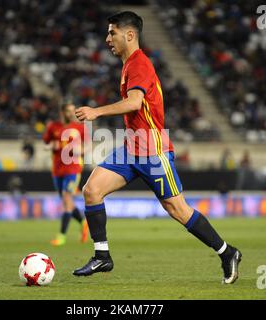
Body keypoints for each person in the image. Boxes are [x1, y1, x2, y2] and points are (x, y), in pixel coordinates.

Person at [73, 11, 242, 284]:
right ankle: (102, 256)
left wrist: (96, 112)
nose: (107, 39)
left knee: (178, 209)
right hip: (132, 147)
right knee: (92, 190)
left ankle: (227, 252)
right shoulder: (129, 65)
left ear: (129, 35)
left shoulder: (139, 64)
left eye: (112, 33)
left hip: (153, 150)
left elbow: (134, 103)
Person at [43, 103, 89, 246]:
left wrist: (79, 151)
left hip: (73, 169)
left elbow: (87, 146)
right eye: (68, 111)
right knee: (66, 202)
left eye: (72, 111)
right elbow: (46, 143)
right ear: (62, 112)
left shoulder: (80, 128)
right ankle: (83, 222)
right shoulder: (53, 127)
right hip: (57, 170)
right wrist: (51, 146)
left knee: (67, 199)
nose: (71, 113)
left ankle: (61, 236)